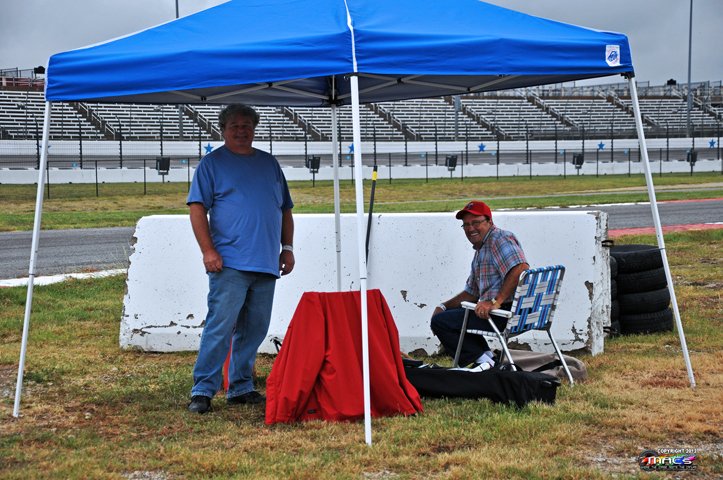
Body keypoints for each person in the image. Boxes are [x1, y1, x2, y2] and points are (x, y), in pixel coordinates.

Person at [186, 104, 295, 414]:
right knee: (220, 327)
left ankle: (241, 387)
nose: (241, 130)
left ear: (254, 129)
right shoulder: (211, 164)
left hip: (266, 262)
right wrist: (208, 251)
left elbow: (285, 210)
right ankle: (203, 390)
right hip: (229, 262)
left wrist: (287, 247)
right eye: (234, 125)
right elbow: (197, 209)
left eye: (247, 125)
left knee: (254, 330)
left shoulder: (269, 164)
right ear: (223, 130)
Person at [431, 201, 529, 370]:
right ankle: (489, 361)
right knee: (450, 317)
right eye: (466, 225)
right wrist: (443, 306)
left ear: (489, 221)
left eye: (476, 222)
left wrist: (495, 302)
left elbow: (521, 269)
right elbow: (472, 293)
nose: (471, 229)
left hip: (507, 313)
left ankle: (485, 363)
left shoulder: (499, 239)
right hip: (503, 312)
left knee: (441, 323)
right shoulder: (482, 249)